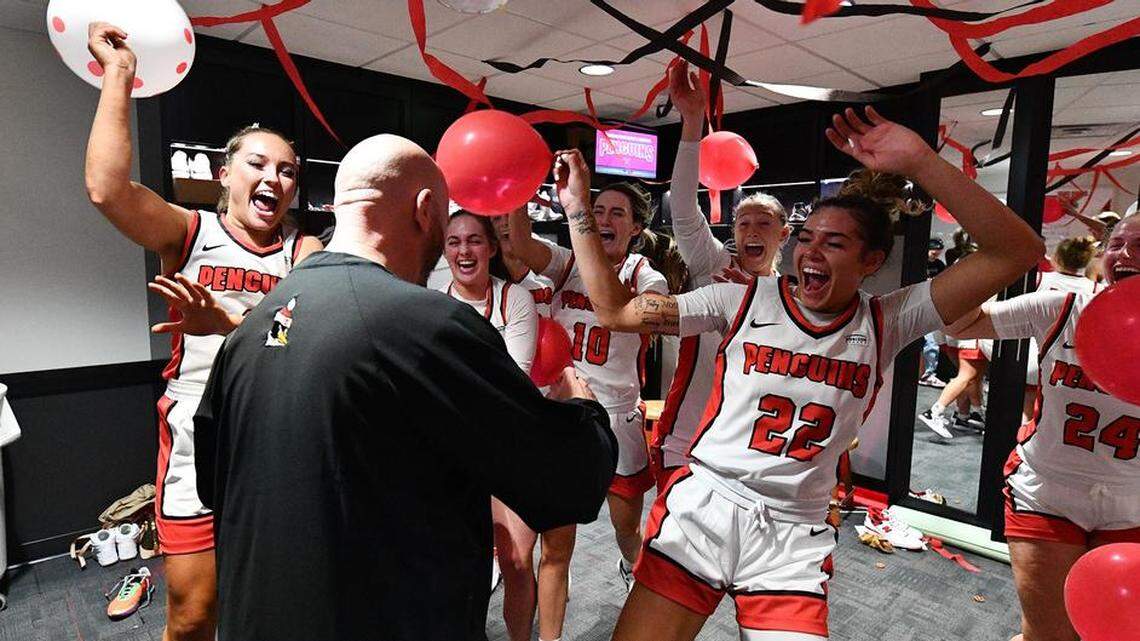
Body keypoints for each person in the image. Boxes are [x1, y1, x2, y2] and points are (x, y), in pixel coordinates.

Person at [551, 106, 1042, 640]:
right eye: (808, 238)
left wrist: (922, 161)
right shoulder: (737, 297)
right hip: (707, 505)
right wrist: (577, 209)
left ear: (872, 260)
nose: (812, 251)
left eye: (834, 243)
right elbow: (616, 312)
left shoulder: (890, 319)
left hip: (792, 532)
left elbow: (1018, 250)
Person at [193, 134, 617, 641]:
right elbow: (569, 479)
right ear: (424, 210)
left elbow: (213, 482)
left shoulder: (256, 323)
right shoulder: (428, 325)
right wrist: (585, 407)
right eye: (445, 228)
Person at [83, 23, 321, 641]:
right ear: (224, 174)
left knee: (272, 605)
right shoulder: (189, 232)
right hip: (196, 431)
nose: (274, 178)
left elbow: (293, 342)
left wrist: (229, 322)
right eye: (258, 163)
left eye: (289, 170)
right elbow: (107, 190)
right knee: (192, 616)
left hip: (275, 429)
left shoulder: (305, 250)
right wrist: (119, 73)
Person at [945, 213, 1140, 641]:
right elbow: (958, 324)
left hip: (1134, 502)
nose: (1124, 254)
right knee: (1050, 634)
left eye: (1139, 246)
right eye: (1116, 244)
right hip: (1048, 492)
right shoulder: (1064, 307)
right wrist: (993, 263)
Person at [509, 180, 668, 593]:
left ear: (635, 228)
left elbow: (621, 310)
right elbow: (523, 244)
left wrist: (593, 259)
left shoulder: (647, 277)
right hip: (564, 413)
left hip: (616, 416)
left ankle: (632, 565)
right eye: (596, 211)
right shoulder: (566, 263)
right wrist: (516, 194)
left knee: (626, 527)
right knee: (556, 544)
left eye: (617, 213)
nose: (603, 219)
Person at [650, 62, 789, 492]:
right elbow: (686, 209)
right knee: (669, 544)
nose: (749, 231)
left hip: (748, 443)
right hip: (687, 434)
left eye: (763, 224)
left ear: (783, 234)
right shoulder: (712, 265)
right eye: (742, 223)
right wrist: (692, 123)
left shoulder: (793, 297)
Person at [437, 210, 543, 641]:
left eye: (474, 241)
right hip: (446, 451)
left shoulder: (515, 299)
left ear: (493, 247)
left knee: (517, 561)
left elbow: (514, 379)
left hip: (507, 446)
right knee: (458, 562)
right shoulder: (428, 296)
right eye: (454, 242)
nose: (464, 250)